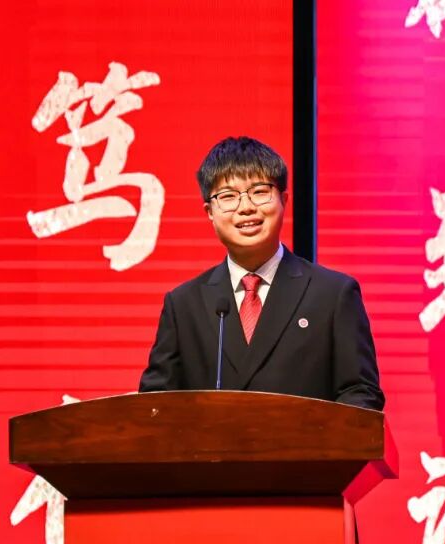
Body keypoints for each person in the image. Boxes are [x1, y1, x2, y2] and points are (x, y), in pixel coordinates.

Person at [138, 136, 385, 411]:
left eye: (259, 191)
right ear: (209, 212)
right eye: (228, 196)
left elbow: (360, 394)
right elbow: (154, 404)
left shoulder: (332, 294)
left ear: (284, 199)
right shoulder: (184, 304)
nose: (246, 207)